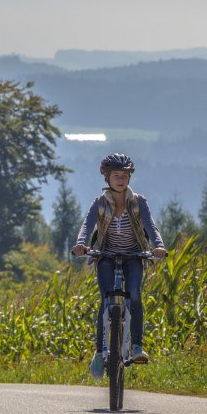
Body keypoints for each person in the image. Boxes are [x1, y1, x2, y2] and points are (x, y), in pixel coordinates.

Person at [72, 153, 166, 381]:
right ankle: (98, 353)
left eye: (124, 175)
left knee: (134, 295)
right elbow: (87, 224)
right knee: (105, 301)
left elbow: (150, 226)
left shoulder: (139, 202)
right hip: (105, 254)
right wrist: (81, 244)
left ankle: (136, 347)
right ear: (107, 177)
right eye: (116, 175)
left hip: (134, 255)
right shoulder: (100, 202)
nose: (121, 179)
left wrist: (159, 245)